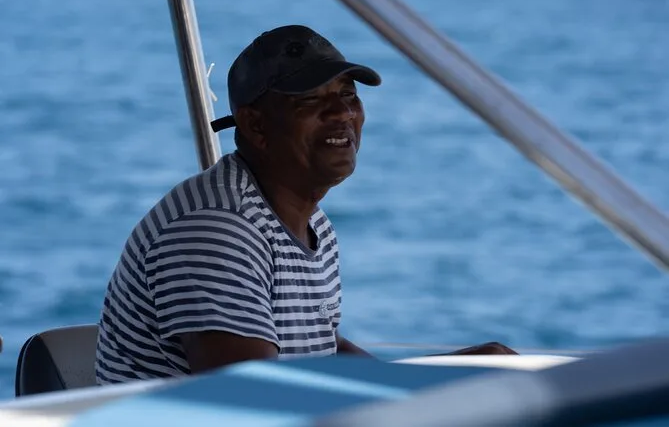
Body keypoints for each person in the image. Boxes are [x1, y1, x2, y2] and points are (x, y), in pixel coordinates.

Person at [95, 24, 515, 385]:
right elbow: (250, 404)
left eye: (348, 94)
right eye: (310, 100)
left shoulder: (312, 224)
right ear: (255, 124)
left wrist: (438, 379)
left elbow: (322, 351)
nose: (341, 113)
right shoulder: (217, 230)